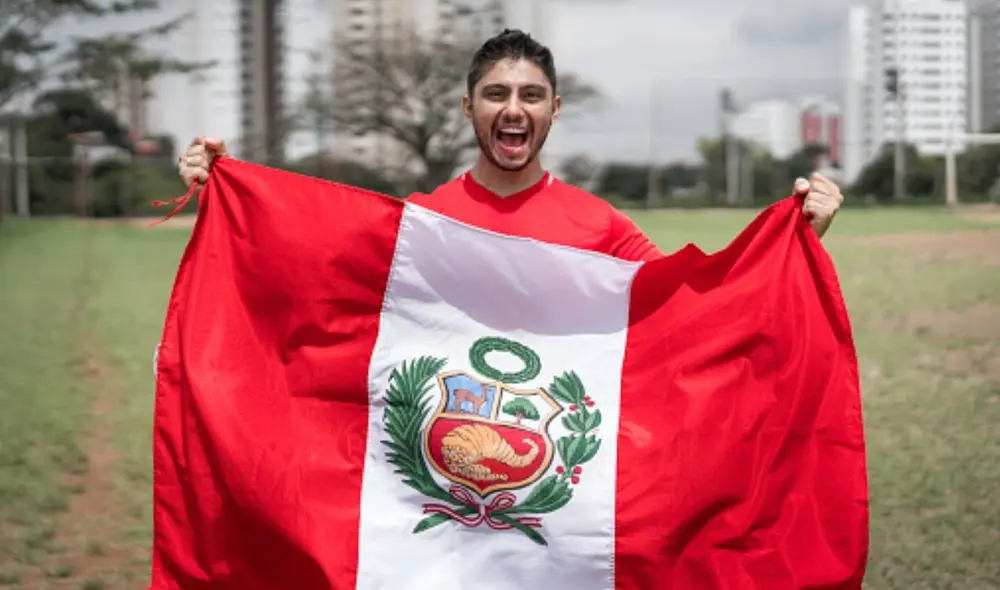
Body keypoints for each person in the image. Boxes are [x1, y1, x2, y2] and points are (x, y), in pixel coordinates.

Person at [177, 29, 843, 260]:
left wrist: (797, 238)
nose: (513, 108)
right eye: (496, 94)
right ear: (469, 109)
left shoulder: (601, 226)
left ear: (555, 110)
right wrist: (221, 196)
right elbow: (310, 270)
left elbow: (697, 306)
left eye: (530, 95)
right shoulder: (422, 221)